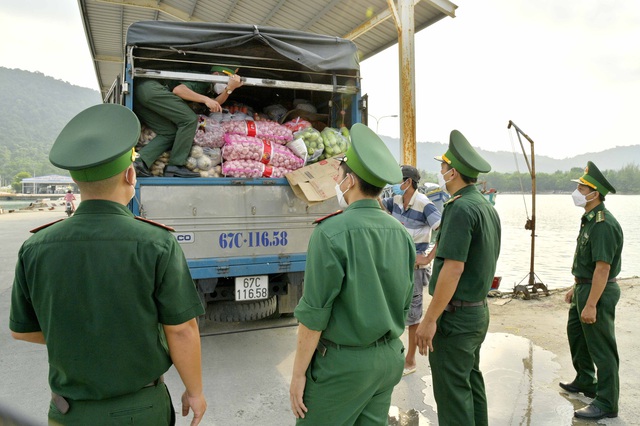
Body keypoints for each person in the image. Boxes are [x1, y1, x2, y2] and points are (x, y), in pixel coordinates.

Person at [9, 104, 207, 425]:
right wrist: (194, 391)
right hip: (140, 411)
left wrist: (79, 334)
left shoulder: (35, 246)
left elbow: (24, 331)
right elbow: (182, 329)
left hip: (66, 414)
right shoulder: (155, 242)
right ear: (131, 174)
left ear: (76, 182)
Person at [289, 123, 415, 424]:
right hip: (387, 359)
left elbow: (314, 314)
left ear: (350, 181)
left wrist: (297, 375)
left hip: (343, 366)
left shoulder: (331, 232)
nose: (338, 180)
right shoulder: (401, 233)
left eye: (341, 175)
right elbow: (405, 301)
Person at [415, 130, 501, 426]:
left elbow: (453, 269)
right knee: (470, 383)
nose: (440, 173)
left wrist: (429, 320)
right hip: (477, 312)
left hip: (456, 318)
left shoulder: (461, 207)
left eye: (442, 168)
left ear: (453, 173)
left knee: (452, 394)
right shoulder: (485, 207)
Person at [559, 161, 623, 420]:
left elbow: (602, 269)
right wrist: (577, 289)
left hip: (599, 290)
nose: (578, 192)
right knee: (577, 335)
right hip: (584, 287)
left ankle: (607, 402)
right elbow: (587, 264)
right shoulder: (589, 219)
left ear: (594, 193)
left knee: (602, 347)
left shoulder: (603, 224)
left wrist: (592, 303)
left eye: (581, 188)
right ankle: (586, 380)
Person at [381, 165, 441, 376]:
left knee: (414, 315)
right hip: (395, 265)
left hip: (415, 268)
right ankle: (394, 354)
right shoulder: (396, 201)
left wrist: (427, 257)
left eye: (398, 180)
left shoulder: (425, 204)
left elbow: (444, 231)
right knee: (394, 309)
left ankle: (410, 361)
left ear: (407, 182)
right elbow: (379, 205)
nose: (394, 185)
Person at [133, 65, 243, 177]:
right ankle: (175, 166)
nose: (224, 87)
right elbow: (178, 90)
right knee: (189, 120)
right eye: (224, 84)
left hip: (140, 95)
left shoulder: (208, 88)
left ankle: (139, 162)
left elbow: (215, 103)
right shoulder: (203, 81)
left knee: (170, 132)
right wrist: (205, 99)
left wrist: (229, 89)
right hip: (151, 89)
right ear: (215, 75)